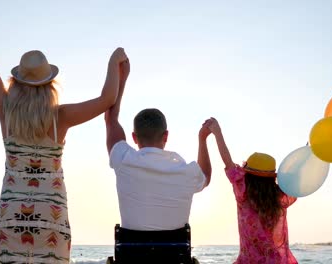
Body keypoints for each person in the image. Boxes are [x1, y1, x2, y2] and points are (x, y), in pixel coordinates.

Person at [0, 1, 128, 263]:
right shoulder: (60, 118)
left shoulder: (7, 112)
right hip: (51, 219)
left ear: (17, 83)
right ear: (49, 85)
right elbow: (106, 99)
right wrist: (115, 60)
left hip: (11, 216)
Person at [104, 58, 212, 232]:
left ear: (134, 137)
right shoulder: (187, 172)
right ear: (166, 136)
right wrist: (202, 140)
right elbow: (205, 176)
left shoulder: (123, 158)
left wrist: (122, 78)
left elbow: (111, 119)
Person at [207, 118, 298, 264]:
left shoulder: (243, 190)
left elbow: (227, 161)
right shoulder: (280, 196)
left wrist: (217, 132)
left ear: (247, 173)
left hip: (249, 260)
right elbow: (298, 183)